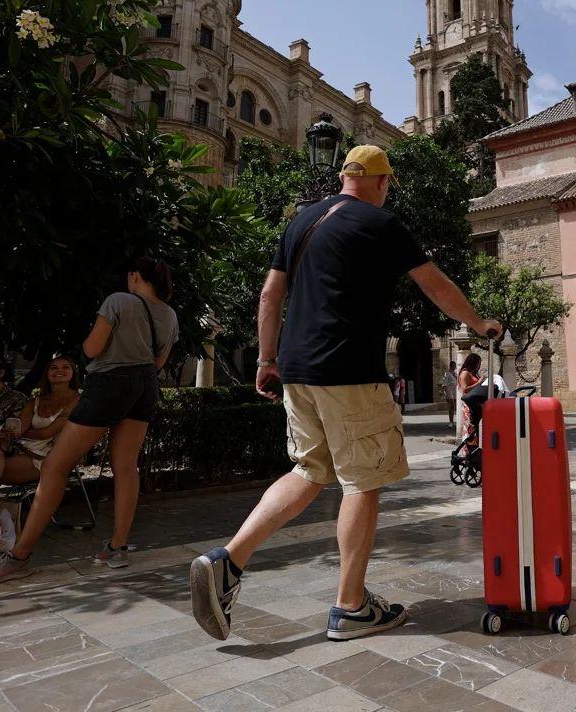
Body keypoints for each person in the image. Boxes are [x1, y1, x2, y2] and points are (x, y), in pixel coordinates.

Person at [185, 145, 500, 642]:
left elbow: (270, 296)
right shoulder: (381, 224)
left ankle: (228, 559)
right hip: (349, 370)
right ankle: (350, 606)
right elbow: (434, 284)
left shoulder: (300, 223)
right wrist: (480, 322)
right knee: (362, 481)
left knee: (309, 470)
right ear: (380, 181)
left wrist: (267, 362)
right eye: (388, 184)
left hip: (297, 369)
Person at [0, 258, 179, 586]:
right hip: (145, 386)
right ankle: (118, 547)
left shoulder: (118, 301)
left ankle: (19, 556)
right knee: (126, 466)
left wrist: (91, 347)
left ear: (134, 276)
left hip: (110, 383)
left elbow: (93, 348)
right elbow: (158, 361)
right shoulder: (169, 314)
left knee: (55, 465)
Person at [0, 356, 81, 553]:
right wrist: (16, 433)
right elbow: (18, 430)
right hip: (21, 449)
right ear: (47, 374)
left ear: (73, 373)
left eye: (65, 367)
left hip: (49, 457)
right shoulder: (35, 401)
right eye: (53, 367)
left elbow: (47, 432)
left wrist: (20, 432)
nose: (59, 370)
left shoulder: (78, 400)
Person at [457, 354, 484, 439]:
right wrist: (478, 383)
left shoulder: (473, 373)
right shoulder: (465, 373)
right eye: (478, 363)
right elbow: (465, 389)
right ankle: (468, 446)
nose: (479, 365)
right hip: (469, 403)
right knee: (470, 425)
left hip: (475, 402)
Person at [441, 361, 458, 429]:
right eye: (453, 365)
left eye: (455, 365)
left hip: (455, 391)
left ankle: (453, 421)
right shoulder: (447, 373)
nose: (455, 367)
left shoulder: (455, 373)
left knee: (454, 407)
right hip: (449, 390)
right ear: (451, 366)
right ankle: (451, 422)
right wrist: (444, 393)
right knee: (452, 406)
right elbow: (444, 383)